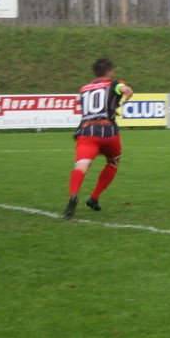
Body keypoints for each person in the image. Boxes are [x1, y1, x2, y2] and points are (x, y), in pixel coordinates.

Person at [63, 58, 134, 219]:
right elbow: (122, 87)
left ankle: (73, 195)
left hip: (86, 132)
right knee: (113, 162)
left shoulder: (84, 89)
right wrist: (126, 90)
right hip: (108, 132)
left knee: (81, 166)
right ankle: (94, 197)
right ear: (109, 71)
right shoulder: (113, 84)